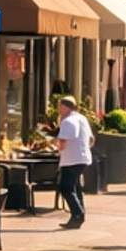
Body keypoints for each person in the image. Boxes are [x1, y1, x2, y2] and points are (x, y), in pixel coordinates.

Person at [55, 95, 93, 228]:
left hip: (71, 159)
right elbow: (91, 138)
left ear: (65, 107)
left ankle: (77, 213)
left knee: (65, 187)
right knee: (75, 187)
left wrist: (57, 147)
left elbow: (63, 141)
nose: (59, 110)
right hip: (83, 157)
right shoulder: (82, 118)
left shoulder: (68, 121)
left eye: (60, 107)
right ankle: (78, 216)